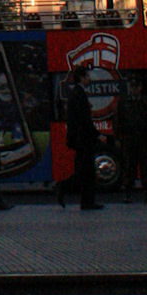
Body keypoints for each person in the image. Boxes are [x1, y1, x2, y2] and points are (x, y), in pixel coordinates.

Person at [60, 67, 102, 210]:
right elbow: (84, 120)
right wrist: (97, 134)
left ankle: (86, 201)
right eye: (88, 76)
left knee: (84, 172)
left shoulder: (76, 93)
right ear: (82, 78)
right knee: (86, 171)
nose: (89, 79)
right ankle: (63, 188)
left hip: (80, 139)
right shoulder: (79, 94)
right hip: (83, 139)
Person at [117, 76, 147, 203]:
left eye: (136, 87)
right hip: (129, 139)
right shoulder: (123, 102)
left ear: (140, 88)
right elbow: (118, 121)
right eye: (132, 87)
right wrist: (118, 138)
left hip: (144, 138)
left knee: (146, 166)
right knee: (129, 166)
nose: (134, 89)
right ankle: (128, 193)